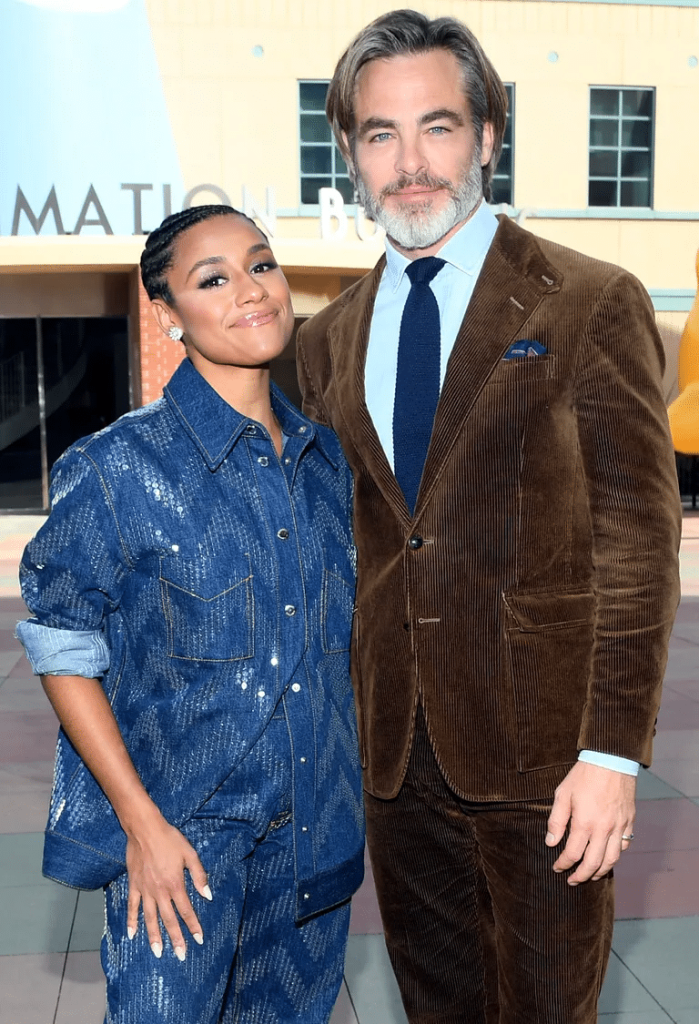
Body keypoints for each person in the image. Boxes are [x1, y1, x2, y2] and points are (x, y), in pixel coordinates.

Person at [296, 10, 682, 1023]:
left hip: (547, 761)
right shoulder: (326, 339)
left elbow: (637, 547)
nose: (410, 163)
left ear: (487, 137)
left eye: (438, 126)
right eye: (380, 134)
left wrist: (610, 755)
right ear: (350, 152)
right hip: (394, 761)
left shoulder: (588, 301)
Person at [16, 204, 364, 1024]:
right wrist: (140, 827)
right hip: (181, 844)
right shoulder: (116, 466)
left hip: (314, 835)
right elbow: (63, 646)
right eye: (213, 279)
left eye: (261, 264)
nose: (250, 290)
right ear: (167, 316)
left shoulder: (327, 465)